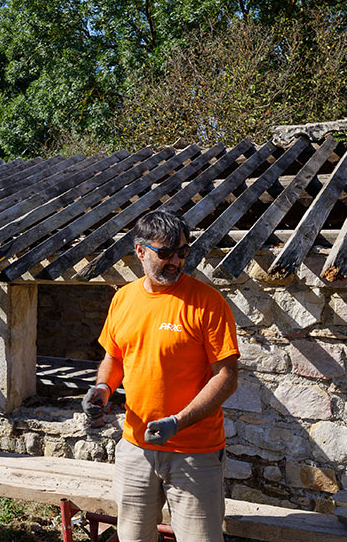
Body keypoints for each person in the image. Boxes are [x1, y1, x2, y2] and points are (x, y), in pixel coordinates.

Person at [83, 210, 239, 542]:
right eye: (165, 253)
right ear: (139, 250)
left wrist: (179, 422)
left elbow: (226, 377)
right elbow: (114, 358)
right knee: (133, 537)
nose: (176, 261)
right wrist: (102, 389)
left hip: (195, 453)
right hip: (135, 447)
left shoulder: (208, 302)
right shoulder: (123, 299)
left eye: (183, 252)